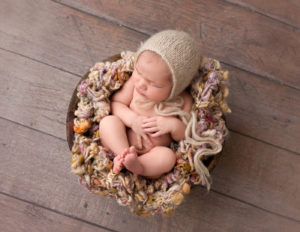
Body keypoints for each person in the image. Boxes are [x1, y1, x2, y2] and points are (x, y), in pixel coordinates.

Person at [99, 30, 201, 178]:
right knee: (108, 122)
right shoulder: (134, 87)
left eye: (154, 84)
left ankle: (138, 167)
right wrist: (133, 120)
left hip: (151, 154)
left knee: (167, 157)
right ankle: (123, 155)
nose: (141, 84)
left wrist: (172, 125)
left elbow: (185, 135)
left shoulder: (182, 101)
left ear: (176, 88)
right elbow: (116, 104)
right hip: (122, 141)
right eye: (139, 72)